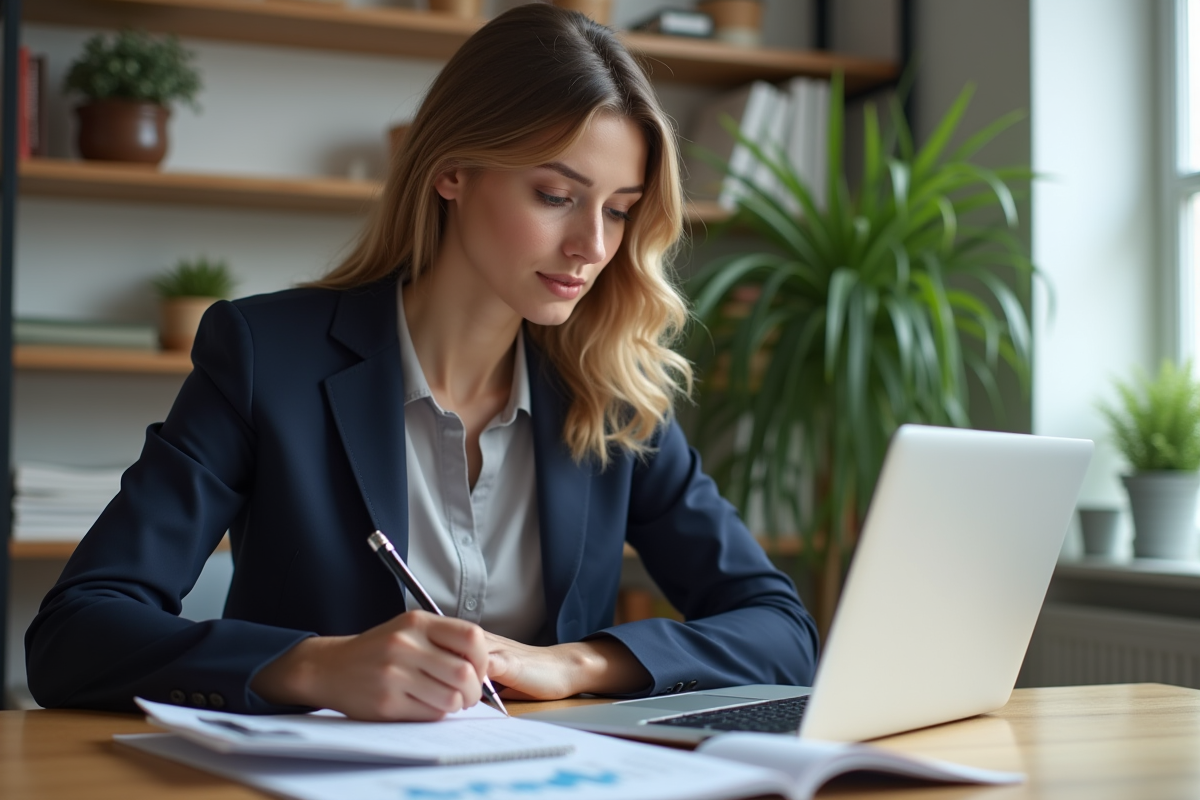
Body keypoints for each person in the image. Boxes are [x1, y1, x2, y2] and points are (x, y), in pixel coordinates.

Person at [25, 4, 819, 720]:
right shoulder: (267, 357)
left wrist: (577, 663)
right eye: (555, 195)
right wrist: (313, 668)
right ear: (451, 171)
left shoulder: (611, 392)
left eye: (619, 210)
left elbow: (780, 628)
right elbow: (74, 632)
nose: (594, 246)